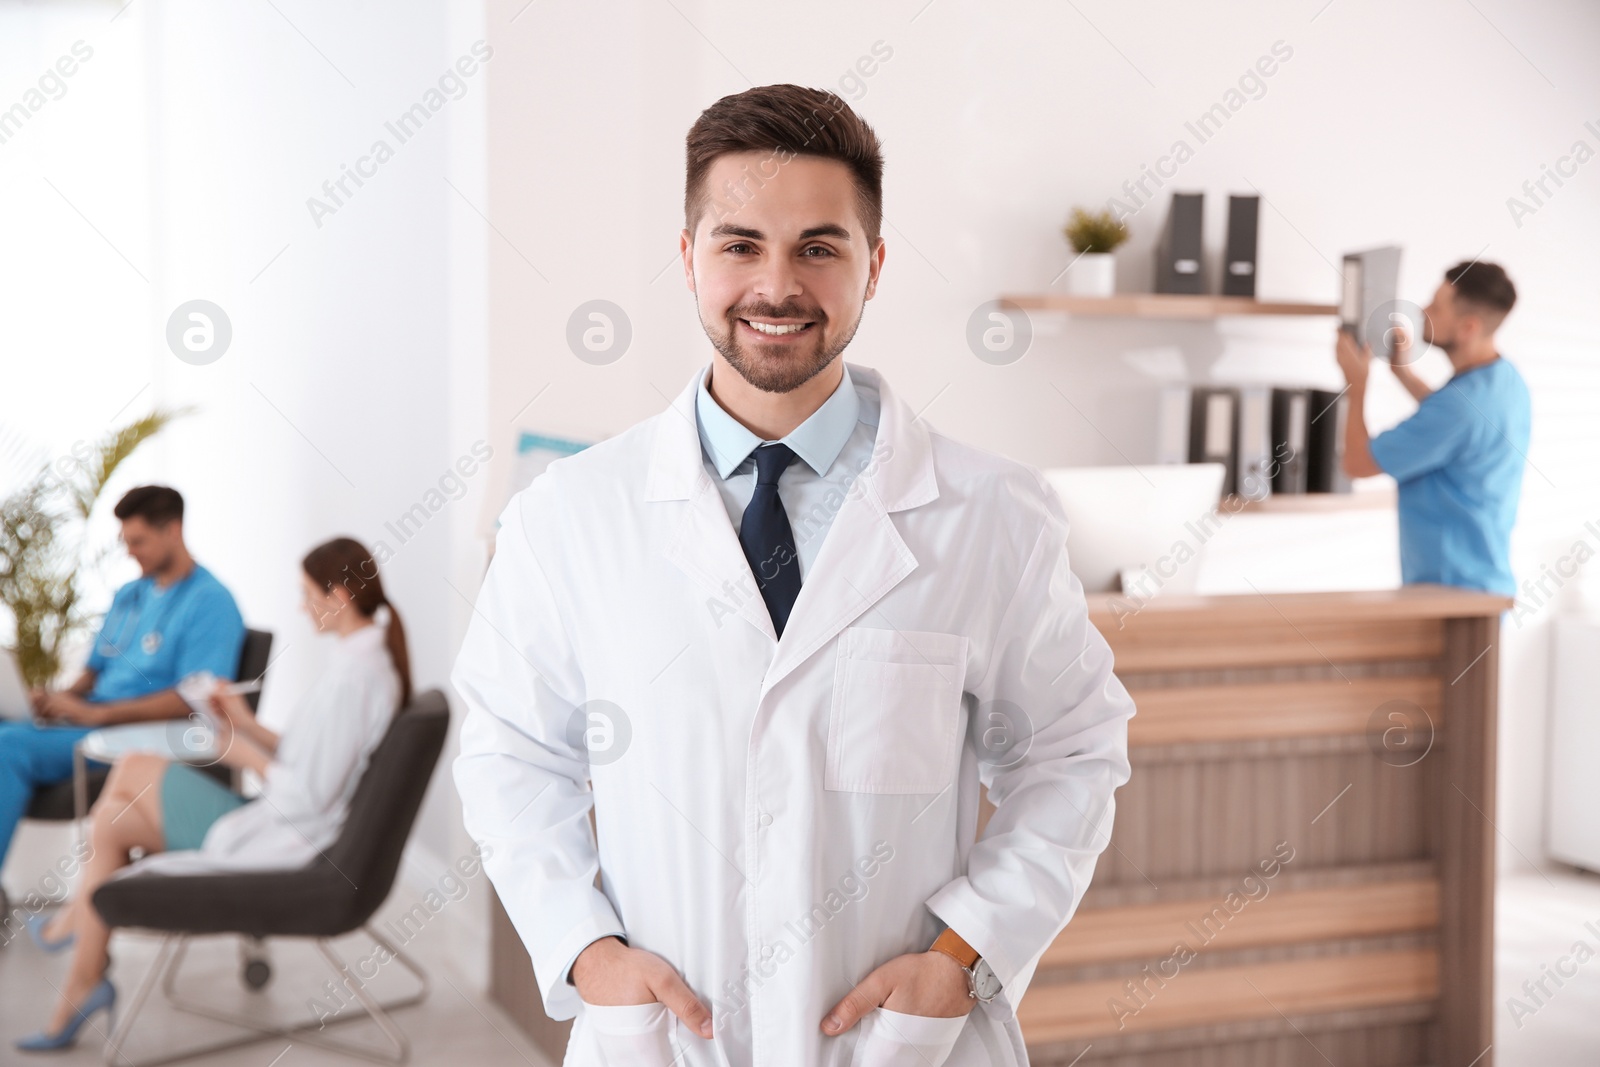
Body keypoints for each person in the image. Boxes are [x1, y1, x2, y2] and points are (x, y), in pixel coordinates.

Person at [452, 84, 1135, 1067]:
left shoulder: (991, 512)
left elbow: (1071, 751)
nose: (776, 284)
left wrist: (962, 951)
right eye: (739, 244)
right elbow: (509, 752)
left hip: (900, 1042)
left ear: (875, 265)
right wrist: (586, 950)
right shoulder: (567, 515)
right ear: (687, 257)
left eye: (819, 246)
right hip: (664, 1042)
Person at [15, 537, 409, 1052]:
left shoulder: (355, 678)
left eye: (306, 592)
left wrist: (241, 755)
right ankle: (83, 974)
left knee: (129, 775)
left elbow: (310, 796)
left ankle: (79, 952)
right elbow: (312, 756)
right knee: (111, 818)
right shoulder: (359, 665)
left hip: (289, 834)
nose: (300, 604)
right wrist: (245, 725)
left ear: (336, 595)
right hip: (283, 817)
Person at [0, 485, 246, 877]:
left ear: (173, 531)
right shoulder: (131, 595)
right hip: (86, 719)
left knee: (7, 745)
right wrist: (57, 698)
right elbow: (94, 670)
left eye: (138, 541)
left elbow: (192, 699)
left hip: (133, 735)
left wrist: (98, 715)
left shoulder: (210, 602)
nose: (130, 551)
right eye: (125, 541)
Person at [1335, 260, 1530, 596]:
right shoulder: (1504, 381)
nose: (1423, 311)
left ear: (1468, 327)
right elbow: (1455, 425)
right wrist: (1403, 374)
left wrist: (1357, 385)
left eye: (1437, 308)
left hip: (1451, 597)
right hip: (1484, 588)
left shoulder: (1458, 409)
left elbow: (1356, 463)